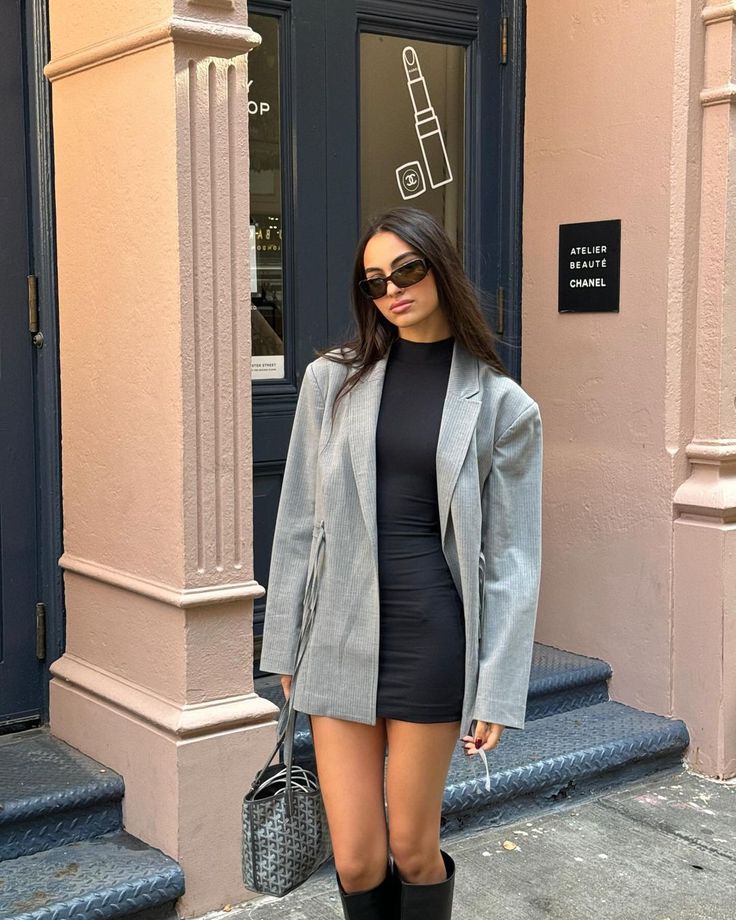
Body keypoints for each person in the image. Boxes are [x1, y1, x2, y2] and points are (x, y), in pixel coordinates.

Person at [258, 206, 543, 919]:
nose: (394, 290)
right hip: (338, 632)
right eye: (376, 281)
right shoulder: (333, 382)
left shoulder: (503, 406)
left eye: (408, 271)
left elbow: (512, 559)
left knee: (413, 847)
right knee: (355, 858)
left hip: (433, 636)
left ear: (439, 270)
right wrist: (285, 638)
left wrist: (497, 688)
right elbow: (297, 519)